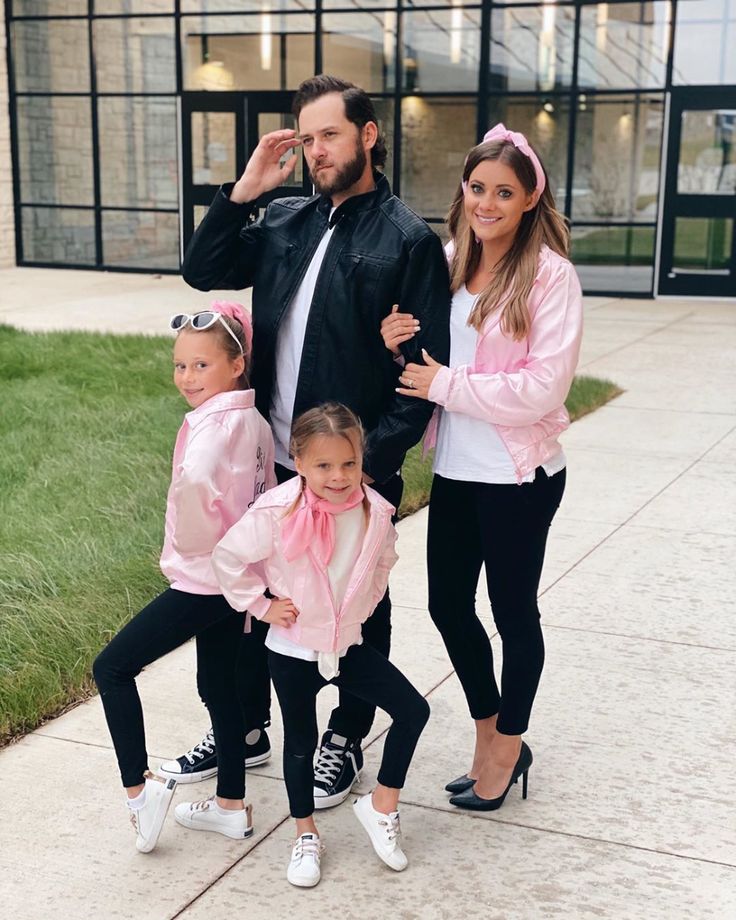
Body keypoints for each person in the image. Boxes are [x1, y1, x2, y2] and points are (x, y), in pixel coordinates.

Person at [180, 74, 450, 807]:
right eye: (307, 140)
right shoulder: (285, 218)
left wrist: (363, 470)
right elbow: (203, 270)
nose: (316, 152)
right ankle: (247, 728)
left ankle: (344, 737)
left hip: (346, 473)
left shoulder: (408, 241)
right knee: (258, 597)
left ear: (368, 135)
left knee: (356, 604)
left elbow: (425, 377)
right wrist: (245, 190)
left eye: (330, 135)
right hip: (269, 464)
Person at [381, 124, 583, 811]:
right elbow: (423, 358)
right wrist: (396, 340)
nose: (487, 203)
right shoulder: (447, 261)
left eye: (504, 191)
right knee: (445, 605)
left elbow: (540, 390)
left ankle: (506, 745)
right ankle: (490, 731)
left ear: (531, 198)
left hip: (520, 476)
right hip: (459, 469)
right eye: (477, 189)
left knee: (512, 614)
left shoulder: (551, 277)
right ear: (462, 192)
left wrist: (441, 385)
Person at [211, 403, 430, 887]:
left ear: (361, 458)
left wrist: (361, 609)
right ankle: (304, 833)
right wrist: (261, 605)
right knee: (301, 744)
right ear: (300, 461)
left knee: (413, 711)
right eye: (324, 465)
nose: (339, 476)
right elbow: (227, 556)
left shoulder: (374, 511)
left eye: (349, 463)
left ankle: (381, 806)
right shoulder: (276, 511)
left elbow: (383, 561)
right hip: (292, 649)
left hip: (347, 645)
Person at [93, 302, 276, 853]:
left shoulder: (213, 428)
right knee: (217, 684)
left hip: (205, 578)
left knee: (113, 667)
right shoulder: (254, 419)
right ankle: (229, 806)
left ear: (237, 364)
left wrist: (195, 549)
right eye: (180, 366)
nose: (187, 378)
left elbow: (196, 483)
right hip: (236, 577)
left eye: (201, 366)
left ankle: (138, 794)